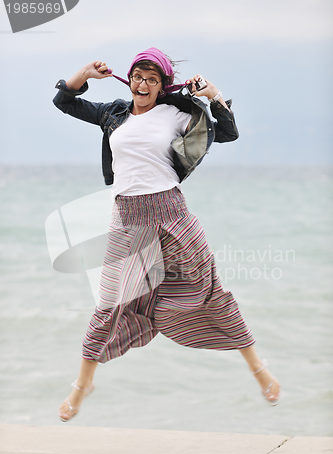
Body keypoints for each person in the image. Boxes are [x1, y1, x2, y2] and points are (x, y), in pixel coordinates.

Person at [53, 47, 280, 422]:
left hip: (172, 214)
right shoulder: (113, 113)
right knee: (108, 305)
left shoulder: (178, 113)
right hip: (127, 219)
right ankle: (82, 386)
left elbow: (228, 132)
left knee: (212, 292)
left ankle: (259, 369)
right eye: (138, 77)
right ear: (131, 80)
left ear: (162, 86)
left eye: (152, 79)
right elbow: (64, 101)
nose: (143, 84)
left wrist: (211, 93)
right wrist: (84, 74)